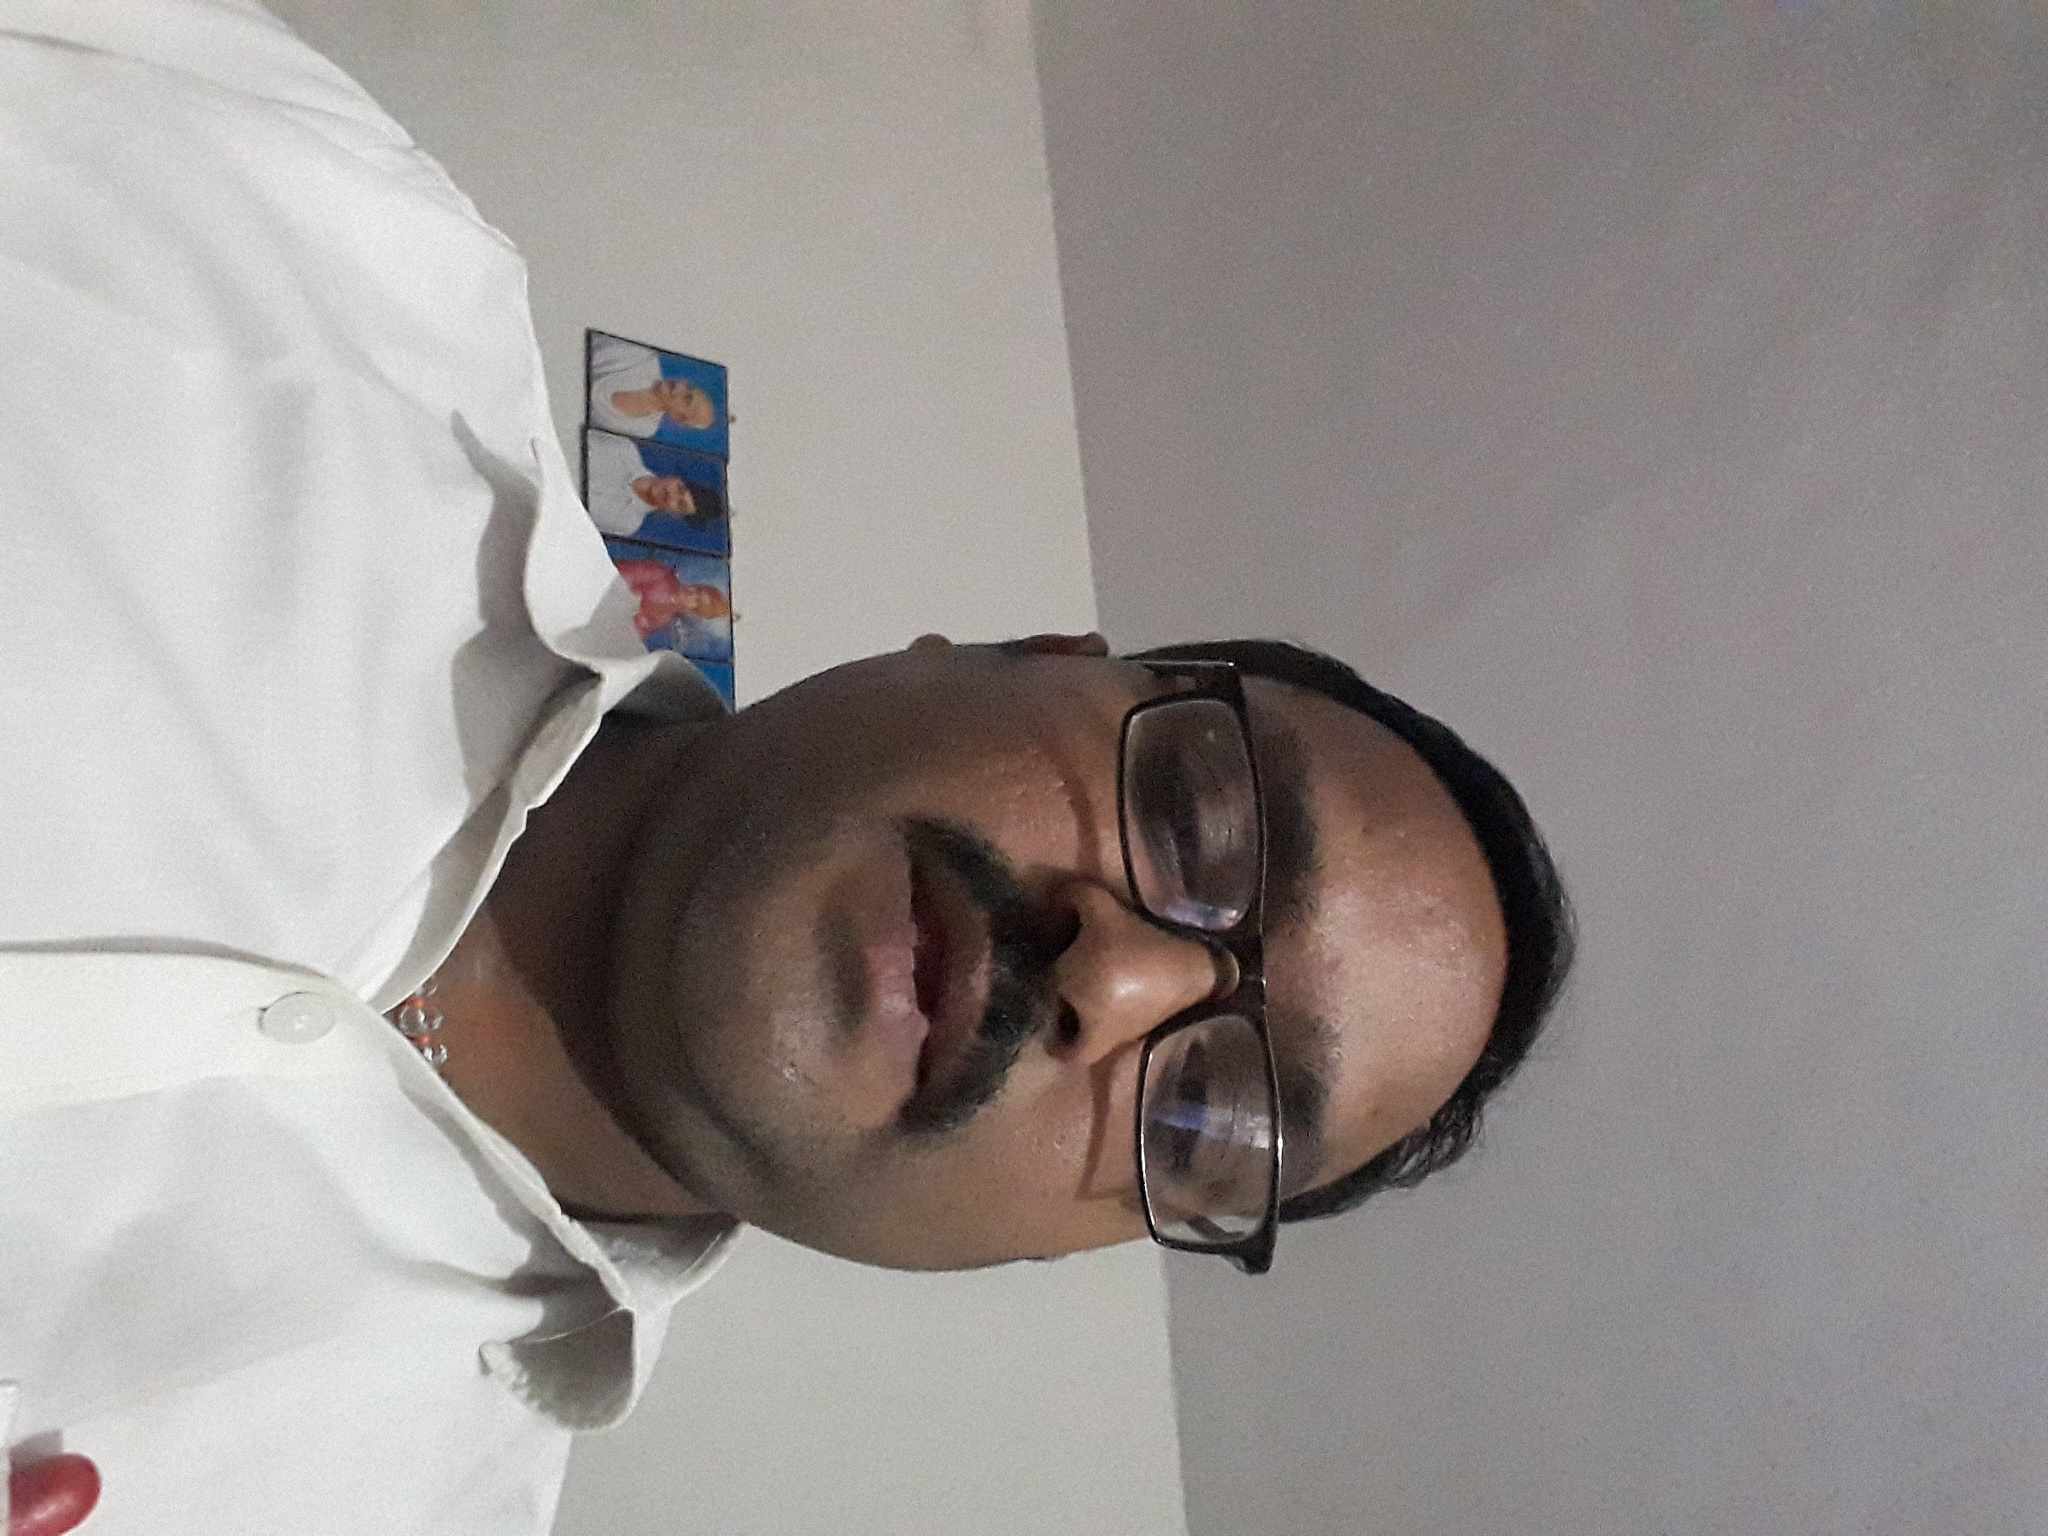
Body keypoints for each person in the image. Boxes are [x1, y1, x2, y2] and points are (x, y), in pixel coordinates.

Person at [0, 4, 1573, 1534]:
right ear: (1029, 654)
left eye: (1209, 1121)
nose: (1119, 979)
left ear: (1064, 1248)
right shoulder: (299, 223)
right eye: (1198, 818)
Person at [584, 430, 730, 544]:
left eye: (680, 504)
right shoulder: (625, 449)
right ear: (676, 477)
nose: (671, 495)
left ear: (675, 515)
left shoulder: (627, 523)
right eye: (679, 489)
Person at [588, 333, 721, 439]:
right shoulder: (641, 356)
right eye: (688, 387)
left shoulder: (644, 429)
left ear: (679, 417)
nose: (680, 386)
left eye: (687, 398)